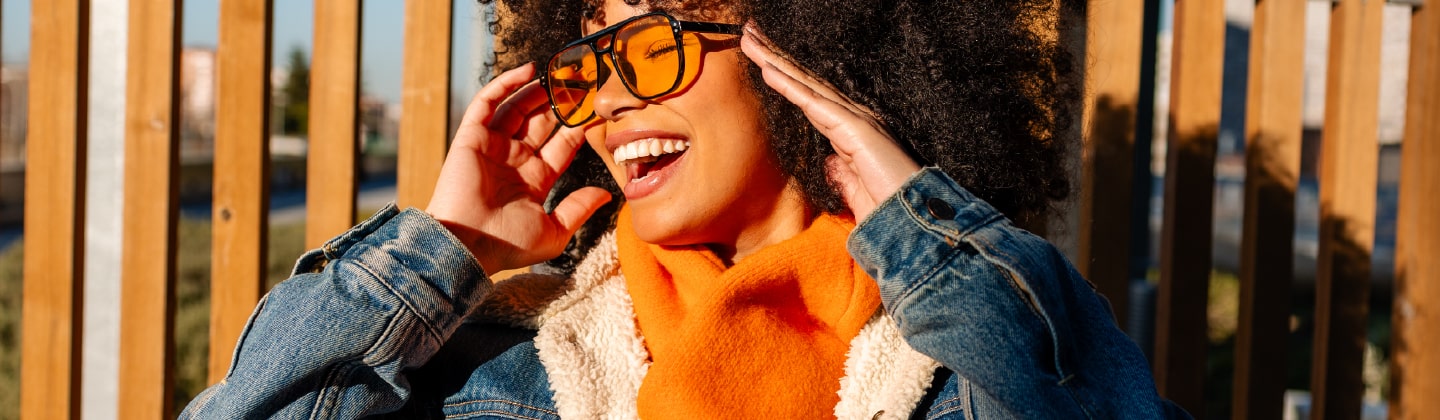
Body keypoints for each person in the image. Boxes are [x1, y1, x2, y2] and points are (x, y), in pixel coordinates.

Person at [182, 0, 1190, 418]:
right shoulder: (502, 370)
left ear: (805, 44)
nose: (612, 98)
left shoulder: (969, 364)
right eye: (590, 62)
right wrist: (436, 254)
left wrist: (934, 241)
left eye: (653, 43)